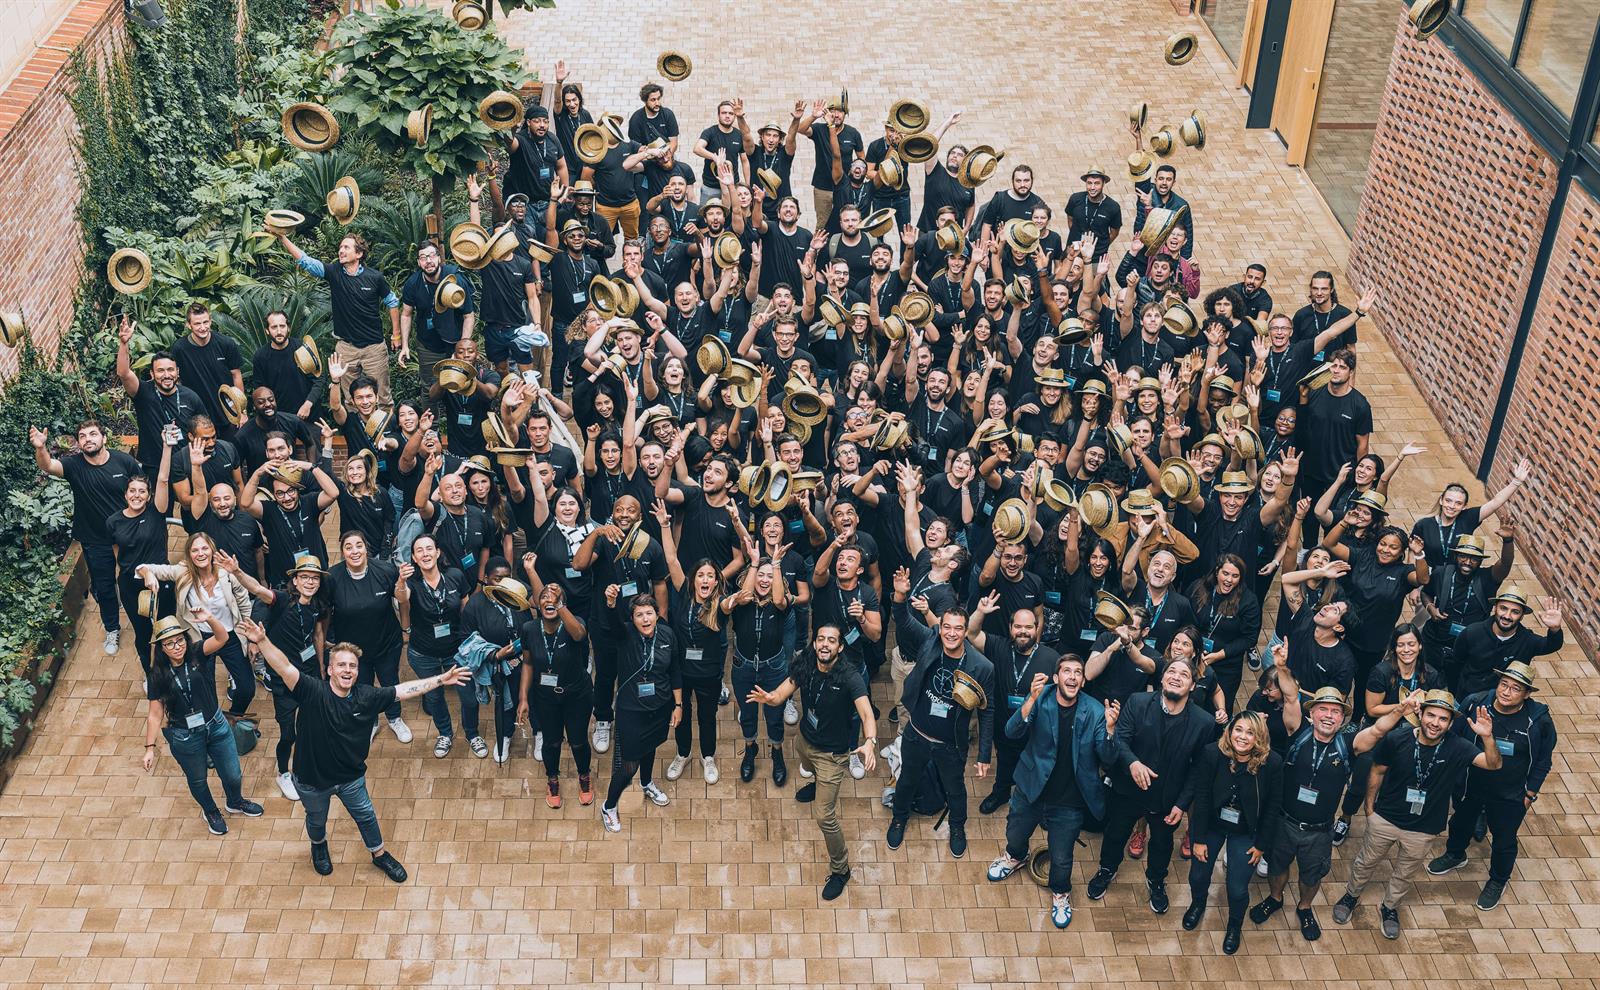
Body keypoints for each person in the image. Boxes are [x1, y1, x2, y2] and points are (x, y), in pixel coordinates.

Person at [239, 617, 468, 881]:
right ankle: (318, 846)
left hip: (351, 778)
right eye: (341, 665)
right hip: (312, 781)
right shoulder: (312, 691)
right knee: (316, 819)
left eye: (352, 666)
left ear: (357, 671)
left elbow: (403, 690)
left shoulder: (366, 696)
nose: (347, 670)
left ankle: (379, 854)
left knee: (366, 816)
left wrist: (441, 679)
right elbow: (284, 667)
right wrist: (262, 641)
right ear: (330, 670)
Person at [1333, 689, 1502, 939]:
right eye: (1431, 715)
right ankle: (1351, 895)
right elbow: (1377, 771)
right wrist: (1369, 809)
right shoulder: (1397, 739)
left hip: (1424, 828)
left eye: (1443, 719)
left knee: (1405, 873)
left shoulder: (1457, 747)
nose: (1435, 723)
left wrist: (1487, 737)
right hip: (1386, 819)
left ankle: (1389, 907)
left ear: (1450, 723)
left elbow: (1493, 764)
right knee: (1366, 862)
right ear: (1420, 714)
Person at [746, 624, 877, 900]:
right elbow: (781, 693)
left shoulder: (850, 676)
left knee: (824, 816)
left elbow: (866, 713)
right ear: (815, 643)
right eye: (821, 639)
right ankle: (818, 785)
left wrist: (870, 741)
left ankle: (841, 870)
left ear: (840, 647)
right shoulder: (806, 662)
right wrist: (770, 699)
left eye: (831, 640)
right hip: (805, 741)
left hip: (832, 756)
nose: (825, 644)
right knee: (804, 758)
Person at [985, 655, 1113, 929]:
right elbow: (1011, 732)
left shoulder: (1094, 711)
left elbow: (1108, 758)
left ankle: (1061, 893)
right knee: (1015, 833)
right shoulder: (1041, 696)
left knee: (1062, 858)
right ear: (1056, 678)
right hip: (1031, 788)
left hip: (1069, 801)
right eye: (1066, 671)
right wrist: (1030, 700)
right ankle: (1015, 857)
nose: (1072, 676)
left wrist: (1111, 731)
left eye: (1078, 672)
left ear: (1082, 680)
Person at [1086, 656, 1214, 915]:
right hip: (1127, 791)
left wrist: (1182, 804)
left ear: (1192, 685)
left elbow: (1199, 769)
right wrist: (1132, 763)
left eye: (1184, 674)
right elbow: (1121, 739)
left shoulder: (1204, 722)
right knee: (1115, 834)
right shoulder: (1137, 702)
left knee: (1162, 844)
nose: (1176, 677)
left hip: (1168, 799)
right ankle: (1107, 869)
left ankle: (1156, 880)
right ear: (1162, 678)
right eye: (1171, 671)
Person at [1427, 662, 1557, 910]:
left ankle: (1498, 880)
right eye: (1504, 684)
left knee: (1504, 840)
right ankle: (1455, 854)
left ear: (1526, 694)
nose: (1506, 692)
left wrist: (1530, 793)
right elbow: (1453, 737)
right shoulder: (1475, 703)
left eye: (1515, 688)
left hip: (1510, 794)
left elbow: (1543, 760)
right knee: (1460, 822)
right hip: (1470, 785)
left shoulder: (1538, 721)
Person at [884, 603, 995, 860]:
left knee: (955, 789)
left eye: (958, 628)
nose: (951, 633)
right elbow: (902, 619)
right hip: (917, 734)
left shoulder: (982, 666)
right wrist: (898, 597)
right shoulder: (930, 641)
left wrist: (984, 755)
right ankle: (899, 819)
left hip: (950, 744)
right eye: (947, 627)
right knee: (907, 780)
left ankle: (956, 827)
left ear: (966, 631)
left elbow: (988, 712)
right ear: (940, 627)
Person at [218, 549, 328, 801]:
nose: (310, 582)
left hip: (309, 674)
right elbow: (257, 589)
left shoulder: (318, 605)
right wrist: (236, 571)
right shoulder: (281, 600)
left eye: (314, 578)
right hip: (283, 681)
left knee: (312, 724)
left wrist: (322, 667)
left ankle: (310, 764)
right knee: (288, 733)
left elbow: (318, 634)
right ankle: (283, 773)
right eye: (305, 577)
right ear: (295, 580)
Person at [140, 614, 262, 835]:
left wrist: (210, 619)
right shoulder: (157, 675)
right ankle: (211, 811)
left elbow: (222, 637)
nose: (177, 646)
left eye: (180, 640)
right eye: (170, 643)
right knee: (198, 780)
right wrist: (150, 748)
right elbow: (155, 715)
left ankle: (235, 801)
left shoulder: (197, 652)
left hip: (216, 724)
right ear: (161, 648)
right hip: (185, 735)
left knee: (233, 774)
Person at [32, 420, 142, 656]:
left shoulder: (124, 462)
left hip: (125, 536)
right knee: (105, 587)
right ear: (79, 443)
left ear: (104, 438)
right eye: (82, 436)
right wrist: (41, 447)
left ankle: (143, 620)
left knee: (134, 579)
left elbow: (142, 491)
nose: (88, 439)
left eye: (93, 434)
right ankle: (112, 628)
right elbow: (48, 465)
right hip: (94, 539)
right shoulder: (74, 466)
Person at [1182, 711, 1283, 955]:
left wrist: (1261, 845)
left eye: (1250, 732)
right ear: (1230, 731)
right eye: (1238, 729)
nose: (1243, 737)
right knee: (1198, 875)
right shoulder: (1211, 753)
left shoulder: (1272, 763)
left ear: (1259, 737)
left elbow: (1273, 807)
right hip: (1212, 825)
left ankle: (1234, 925)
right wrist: (1198, 839)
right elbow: (1201, 798)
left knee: (1237, 888)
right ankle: (1198, 904)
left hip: (1246, 831)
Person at [134, 531, 254, 720]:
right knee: (205, 689)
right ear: (189, 554)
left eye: (205, 548)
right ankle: (215, 722)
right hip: (200, 639)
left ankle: (233, 717)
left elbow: (245, 605)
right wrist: (147, 574)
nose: (201, 553)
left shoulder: (227, 573)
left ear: (212, 550)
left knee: (247, 688)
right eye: (195, 550)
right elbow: (143, 567)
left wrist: (250, 637)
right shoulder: (182, 572)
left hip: (230, 636)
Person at [277, 231, 402, 409]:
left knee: (382, 399)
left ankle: (385, 428)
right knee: (350, 401)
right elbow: (306, 261)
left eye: (346, 247)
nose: (341, 250)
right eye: (340, 247)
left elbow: (392, 302)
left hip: (373, 348)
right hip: (345, 347)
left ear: (359, 254)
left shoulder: (375, 277)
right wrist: (282, 238)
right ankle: (355, 428)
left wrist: (396, 335)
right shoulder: (334, 272)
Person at [966, 595, 1060, 814]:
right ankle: (1001, 792)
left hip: (1035, 731)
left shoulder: (1052, 658)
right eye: (1018, 626)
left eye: (1028, 627)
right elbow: (972, 633)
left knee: (1035, 767)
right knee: (1005, 761)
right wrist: (980, 612)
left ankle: (1035, 801)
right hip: (1003, 725)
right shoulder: (998, 646)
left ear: (1037, 628)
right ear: (1010, 628)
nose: (1023, 631)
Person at [600, 595, 683, 832]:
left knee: (651, 746)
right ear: (632, 619)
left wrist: (678, 705)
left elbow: (675, 670)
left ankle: (647, 784)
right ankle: (609, 806)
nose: (645, 619)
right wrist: (611, 604)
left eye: (649, 613)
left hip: (660, 707)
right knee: (629, 765)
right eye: (639, 615)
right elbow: (613, 623)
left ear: (656, 615)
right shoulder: (625, 634)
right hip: (631, 710)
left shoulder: (667, 635)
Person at [517, 560, 594, 808]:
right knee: (551, 742)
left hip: (577, 695)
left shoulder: (574, 623)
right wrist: (523, 698)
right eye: (544, 599)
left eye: (556, 599)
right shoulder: (529, 629)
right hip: (545, 697)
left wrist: (560, 605)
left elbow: (579, 634)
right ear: (537, 605)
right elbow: (528, 663)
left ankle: (584, 776)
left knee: (578, 741)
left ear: (563, 605)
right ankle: (552, 779)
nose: (549, 601)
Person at [327, 531, 410, 745]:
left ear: (366, 548)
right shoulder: (332, 577)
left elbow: (403, 600)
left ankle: (394, 718)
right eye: (348, 547)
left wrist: (405, 629)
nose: (354, 551)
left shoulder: (385, 570)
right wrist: (329, 642)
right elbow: (326, 613)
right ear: (342, 552)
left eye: (359, 545)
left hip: (386, 644)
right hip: (353, 651)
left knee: (390, 682)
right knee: (362, 688)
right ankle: (371, 722)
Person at [723, 534, 791, 786]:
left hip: (774, 668)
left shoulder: (781, 601)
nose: (764, 580)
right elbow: (740, 598)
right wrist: (754, 562)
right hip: (743, 668)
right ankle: (750, 748)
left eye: (769, 577)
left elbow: (779, 600)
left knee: (775, 715)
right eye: (760, 575)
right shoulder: (742, 600)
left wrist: (775, 564)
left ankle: (777, 751)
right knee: (748, 714)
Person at [397, 534, 470, 758]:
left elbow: (465, 609)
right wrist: (401, 580)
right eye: (419, 550)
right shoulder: (411, 583)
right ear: (414, 558)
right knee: (434, 698)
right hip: (424, 654)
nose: (425, 554)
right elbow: (402, 599)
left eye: (429, 548)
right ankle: (445, 734)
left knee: (468, 696)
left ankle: (472, 733)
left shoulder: (455, 576)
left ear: (438, 552)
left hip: (456, 652)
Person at [109, 434, 173, 672]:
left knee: (167, 627)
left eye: (142, 491)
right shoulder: (113, 522)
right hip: (131, 585)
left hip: (162, 579)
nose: (137, 495)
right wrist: (131, 572)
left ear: (149, 496)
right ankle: (150, 673)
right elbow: (117, 552)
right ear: (125, 494)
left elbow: (163, 479)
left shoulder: (157, 512)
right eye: (132, 491)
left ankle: (172, 668)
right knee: (143, 632)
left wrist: (167, 446)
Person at [114, 315, 202, 480]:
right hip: (154, 464)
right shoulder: (143, 392)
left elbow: (202, 428)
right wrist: (124, 343)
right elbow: (123, 373)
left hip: (185, 463)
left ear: (177, 372)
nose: (167, 375)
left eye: (171, 370)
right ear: (152, 374)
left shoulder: (191, 397)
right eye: (161, 371)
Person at [1449, 586, 1564, 698]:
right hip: (1467, 696)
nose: (1507, 616)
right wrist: (1455, 695)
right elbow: (1455, 665)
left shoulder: (1527, 640)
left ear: (1522, 616)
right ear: (1495, 608)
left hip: (1503, 701)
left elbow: (1552, 645)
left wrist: (1555, 629)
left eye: (1515, 612)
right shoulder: (1472, 632)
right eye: (1503, 608)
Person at [169, 302, 244, 441]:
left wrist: (241, 411)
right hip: (197, 416)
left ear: (210, 321)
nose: (203, 327)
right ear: (188, 325)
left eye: (205, 322)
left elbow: (236, 375)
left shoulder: (226, 343)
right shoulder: (179, 349)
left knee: (231, 451)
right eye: (197, 324)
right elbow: (177, 381)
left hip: (228, 413)